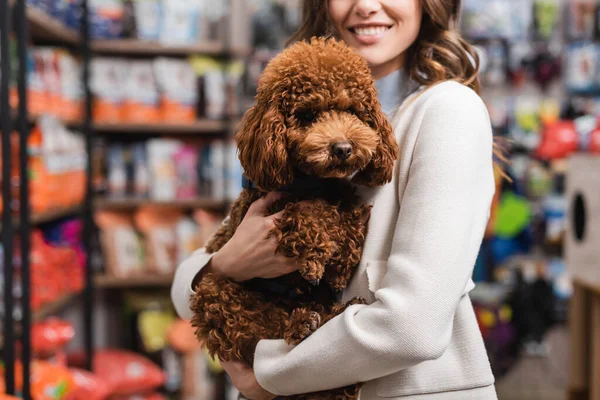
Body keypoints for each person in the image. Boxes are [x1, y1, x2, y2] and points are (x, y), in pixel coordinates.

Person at [171, 0, 498, 399]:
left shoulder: (447, 111)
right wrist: (226, 264)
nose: (365, 6)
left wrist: (267, 372)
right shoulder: (287, 134)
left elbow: (413, 327)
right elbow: (184, 289)